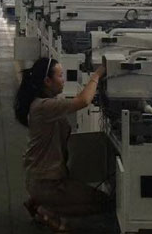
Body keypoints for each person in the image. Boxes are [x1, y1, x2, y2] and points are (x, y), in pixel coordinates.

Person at [15, 57, 108, 230]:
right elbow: (83, 101)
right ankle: (48, 210)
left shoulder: (44, 104)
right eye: (60, 76)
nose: (63, 79)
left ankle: (42, 204)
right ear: (47, 81)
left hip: (41, 179)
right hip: (48, 184)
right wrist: (97, 74)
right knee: (104, 203)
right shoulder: (44, 106)